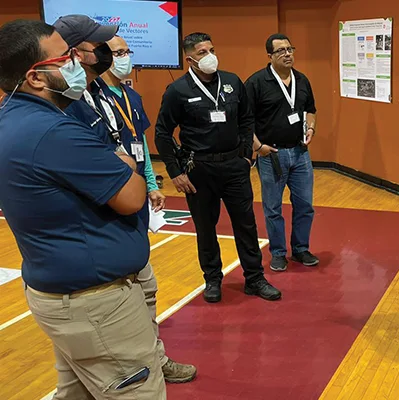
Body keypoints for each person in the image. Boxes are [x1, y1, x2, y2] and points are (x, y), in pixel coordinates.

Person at [0, 19, 166, 399]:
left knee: (77, 393)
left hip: (64, 293)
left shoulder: (13, 117)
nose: (77, 62)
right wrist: (124, 164)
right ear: (35, 78)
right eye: (66, 57)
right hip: (97, 303)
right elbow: (132, 195)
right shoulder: (53, 131)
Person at [53, 15, 197, 383]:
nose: (111, 55)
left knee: (147, 293)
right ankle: (146, 364)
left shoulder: (107, 94)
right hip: (99, 229)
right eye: (103, 48)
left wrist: (147, 181)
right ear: (74, 53)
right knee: (114, 330)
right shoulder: (63, 105)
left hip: (126, 216)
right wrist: (125, 170)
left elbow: (133, 147)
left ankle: (156, 357)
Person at [155, 32, 281, 303]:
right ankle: (212, 279)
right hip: (198, 169)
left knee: (246, 225)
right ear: (189, 59)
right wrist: (175, 172)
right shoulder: (177, 90)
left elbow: (247, 119)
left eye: (211, 49)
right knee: (205, 227)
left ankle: (255, 278)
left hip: (235, 166)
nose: (210, 56)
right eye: (202, 52)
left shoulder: (232, 82)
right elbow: (162, 133)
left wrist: (246, 155)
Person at [245, 33, 318, 272]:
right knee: (273, 208)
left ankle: (301, 249)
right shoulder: (256, 83)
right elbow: (244, 120)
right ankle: (278, 253)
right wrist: (258, 147)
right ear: (270, 56)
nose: (287, 54)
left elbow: (311, 110)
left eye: (290, 49)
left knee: (305, 205)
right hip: (271, 155)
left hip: (300, 152)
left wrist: (310, 128)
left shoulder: (302, 80)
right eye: (281, 51)